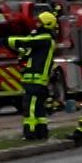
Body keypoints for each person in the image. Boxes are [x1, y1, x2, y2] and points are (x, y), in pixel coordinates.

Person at [7, 12, 58, 140]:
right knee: (38, 109)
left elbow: (27, 41)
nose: (37, 24)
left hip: (36, 81)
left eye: (39, 22)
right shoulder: (41, 40)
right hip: (35, 81)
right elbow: (25, 51)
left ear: (46, 24)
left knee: (30, 108)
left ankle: (30, 133)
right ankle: (41, 132)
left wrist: (9, 40)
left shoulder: (45, 38)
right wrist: (13, 47)